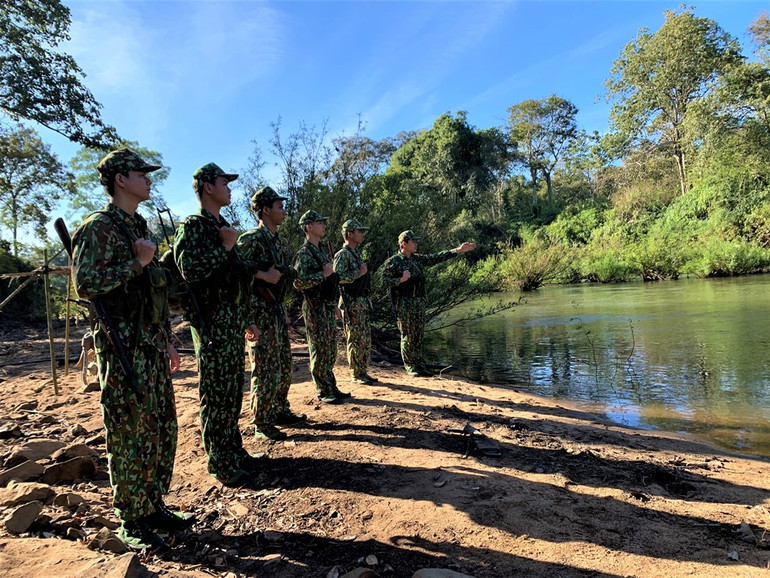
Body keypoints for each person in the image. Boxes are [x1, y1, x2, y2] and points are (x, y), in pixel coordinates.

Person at [72, 148, 190, 550]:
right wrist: (137, 264)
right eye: (142, 173)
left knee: (161, 427)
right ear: (120, 179)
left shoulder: (137, 226)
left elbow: (152, 295)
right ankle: (131, 516)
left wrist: (170, 340)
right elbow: (86, 283)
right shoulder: (98, 227)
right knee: (127, 430)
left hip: (152, 344)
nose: (148, 179)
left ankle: (153, 504)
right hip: (122, 345)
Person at [174, 163, 262, 486]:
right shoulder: (193, 227)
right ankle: (219, 461)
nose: (230, 188)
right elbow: (189, 270)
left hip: (231, 320)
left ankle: (233, 451)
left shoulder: (223, 225)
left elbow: (236, 276)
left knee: (231, 391)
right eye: (225, 182)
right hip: (211, 323)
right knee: (215, 393)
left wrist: (246, 317)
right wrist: (224, 246)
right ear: (208, 187)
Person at [236, 186, 304, 441]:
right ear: (265, 210)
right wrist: (247, 318)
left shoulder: (277, 242)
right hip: (258, 313)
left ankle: (279, 409)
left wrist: (282, 311)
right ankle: (261, 422)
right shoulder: (251, 239)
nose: (284, 212)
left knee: (283, 365)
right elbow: (236, 270)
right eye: (279, 207)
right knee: (264, 368)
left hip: (274, 310)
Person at [382, 230, 476, 377]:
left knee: (418, 335)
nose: (416, 244)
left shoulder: (417, 259)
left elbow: (436, 257)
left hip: (418, 303)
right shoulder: (393, 262)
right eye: (413, 241)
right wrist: (401, 279)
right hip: (404, 303)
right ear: (404, 244)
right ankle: (410, 367)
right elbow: (384, 282)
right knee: (407, 335)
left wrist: (457, 250)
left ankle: (419, 365)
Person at [294, 210, 350, 403]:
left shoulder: (321, 251)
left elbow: (330, 282)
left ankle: (330, 385)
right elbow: (298, 282)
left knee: (330, 348)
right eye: (320, 222)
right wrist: (322, 275)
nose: (324, 225)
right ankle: (323, 390)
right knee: (318, 348)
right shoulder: (304, 253)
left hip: (325, 305)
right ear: (309, 227)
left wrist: (333, 304)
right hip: (313, 306)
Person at [333, 219, 377, 385]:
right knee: (356, 338)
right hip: (351, 303)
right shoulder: (342, 255)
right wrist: (358, 273)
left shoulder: (354, 254)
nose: (362, 234)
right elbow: (338, 278)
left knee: (365, 339)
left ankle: (362, 371)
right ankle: (356, 374)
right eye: (359, 231)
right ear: (349, 234)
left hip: (361, 302)